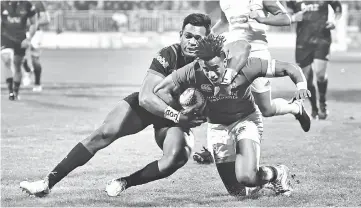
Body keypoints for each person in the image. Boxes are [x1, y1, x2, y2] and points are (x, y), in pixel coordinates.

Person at [19, 13, 210, 197]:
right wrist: (178, 115)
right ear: (180, 35)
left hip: (174, 121)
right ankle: (46, 183)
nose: (192, 42)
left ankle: (125, 182)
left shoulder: (213, 66)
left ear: (207, 40)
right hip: (150, 108)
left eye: (198, 38)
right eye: (188, 36)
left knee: (177, 158)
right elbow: (145, 97)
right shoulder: (169, 54)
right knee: (103, 133)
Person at [154, 35, 311, 196]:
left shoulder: (246, 67)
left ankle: (278, 173)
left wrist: (301, 86)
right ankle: (259, 181)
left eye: (215, 68)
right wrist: (179, 112)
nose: (211, 74)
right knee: (238, 193)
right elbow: (160, 90)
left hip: (246, 120)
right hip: (217, 128)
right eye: (205, 69)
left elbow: (289, 68)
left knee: (246, 177)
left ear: (225, 61)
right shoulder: (192, 71)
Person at [286, 0, 342, 119]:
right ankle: (314, 108)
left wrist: (334, 21)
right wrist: (294, 17)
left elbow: (338, 8)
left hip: (322, 39)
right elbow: (285, 16)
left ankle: (322, 102)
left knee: (320, 74)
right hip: (303, 41)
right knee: (306, 78)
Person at [1, 1, 38, 100]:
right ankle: (10, 92)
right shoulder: (2, 4)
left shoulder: (27, 5)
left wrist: (28, 38)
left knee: (17, 64)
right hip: (5, 38)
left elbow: (34, 23)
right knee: (6, 60)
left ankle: (16, 91)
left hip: (20, 39)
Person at [22, 1, 50, 92]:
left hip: (36, 33)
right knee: (19, 57)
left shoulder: (37, 2)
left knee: (35, 58)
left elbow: (46, 19)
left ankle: (37, 84)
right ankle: (27, 70)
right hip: (19, 32)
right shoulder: (17, 3)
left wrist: (32, 23)